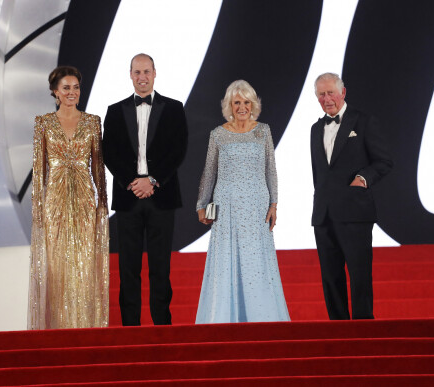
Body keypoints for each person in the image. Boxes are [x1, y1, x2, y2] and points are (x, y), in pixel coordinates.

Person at [102, 54, 188, 326]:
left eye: (146, 71)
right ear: (130, 74)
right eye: (137, 72)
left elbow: (178, 150)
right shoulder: (115, 111)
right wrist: (133, 181)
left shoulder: (174, 108)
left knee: (160, 266)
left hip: (161, 196)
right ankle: (130, 329)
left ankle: (162, 326)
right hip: (128, 198)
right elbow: (109, 153)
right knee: (128, 267)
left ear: (155, 73)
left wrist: (151, 180)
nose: (142, 77)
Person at [195, 80, 290, 324]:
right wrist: (201, 205)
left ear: (253, 104)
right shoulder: (218, 134)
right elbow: (209, 173)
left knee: (257, 262)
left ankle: (262, 319)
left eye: (246, 102)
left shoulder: (263, 131)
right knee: (227, 261)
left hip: (257, 207)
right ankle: (225, 319)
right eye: (237, 102)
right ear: (229, 105)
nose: (242, 107)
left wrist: (274, 204)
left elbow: (271, 170)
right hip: (226, 208)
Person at [28, 66, 109, 329]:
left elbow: (98, 166)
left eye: (75, 87)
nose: (72, 92)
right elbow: (39, 170)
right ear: (55, 92)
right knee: (57, 264)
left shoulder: (92, 121)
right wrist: (38, 208)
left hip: (85, 197)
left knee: (84, 262)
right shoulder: (43, 122)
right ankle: (59, 327)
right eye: (66, 88)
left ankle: (85, 325)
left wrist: (102, 203)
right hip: (54, 200)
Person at [310, 72, 393, 320]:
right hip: (323, 215)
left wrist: (363, 179)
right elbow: (319, 174)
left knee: (359, 275)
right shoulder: (315, 129)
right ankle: (338, 331)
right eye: (321, 94)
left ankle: (363, 330)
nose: (327, 99)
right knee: (330, 277)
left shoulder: (364, 122)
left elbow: (384, 161)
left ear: (343, 93)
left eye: (331, 93)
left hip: (355, 212)